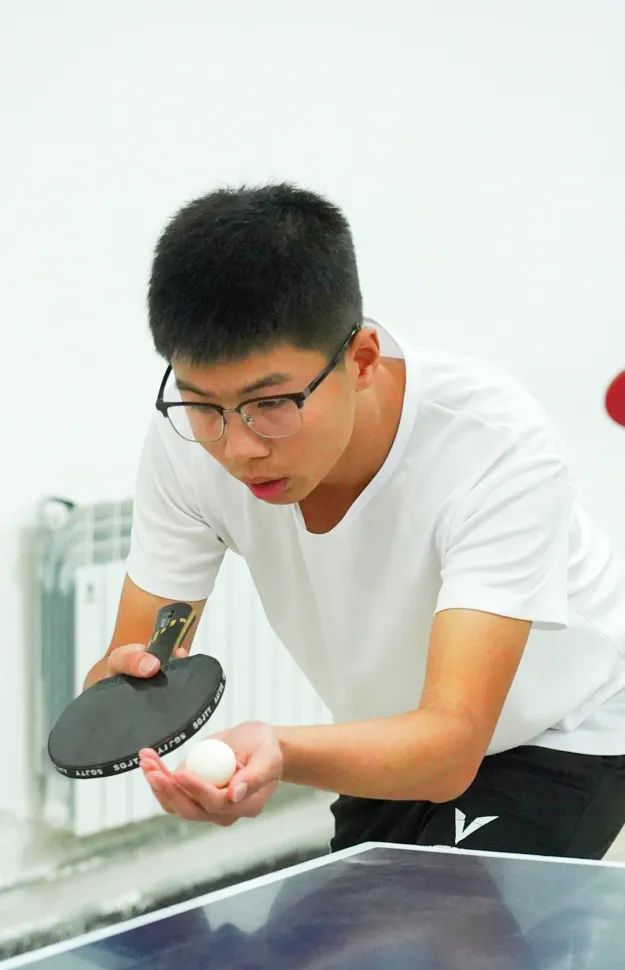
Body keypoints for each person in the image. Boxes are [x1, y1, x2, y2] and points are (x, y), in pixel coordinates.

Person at [84, 183, 625, 859]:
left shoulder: (492, 446)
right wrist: (124, 690)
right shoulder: (186, 442)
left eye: (271, 403)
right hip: (394, 731)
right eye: (202, 404)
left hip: (559, 727)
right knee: (354, 918)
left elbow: (452, 745)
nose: (239, 446)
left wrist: (278, 751)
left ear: (361, 359)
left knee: (448, 923)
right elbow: (130, 664)